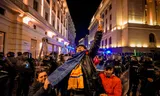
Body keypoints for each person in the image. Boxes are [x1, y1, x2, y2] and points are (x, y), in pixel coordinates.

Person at [48, 17, 104, 96]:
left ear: (85, 50)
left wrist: (99, 31)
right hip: (72, 91)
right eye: (78, 48)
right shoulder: (71, 60)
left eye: (81, 48)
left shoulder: (87, 57)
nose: (79, 48)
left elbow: (95, 45)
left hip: (85, 90)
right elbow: (62, 71)